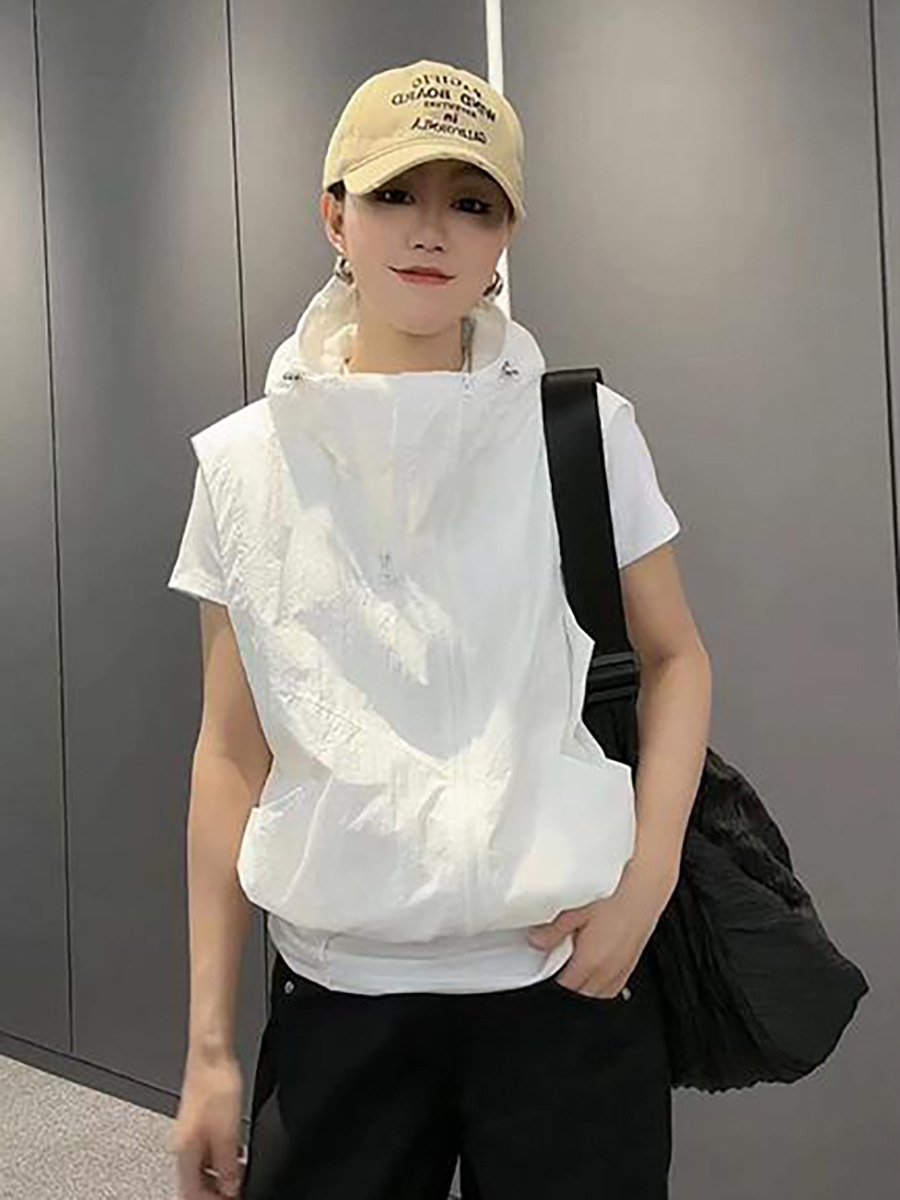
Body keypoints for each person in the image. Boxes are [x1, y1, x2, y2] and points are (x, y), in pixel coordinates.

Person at [167, 57, 710, 1200]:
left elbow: (675, 659)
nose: (431, 230)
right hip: (341, 1004)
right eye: (394, 194)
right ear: (336, 217)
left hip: (566, 991)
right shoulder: (246, 467)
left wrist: (647, 882)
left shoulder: (582, 431)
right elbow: (230, 753)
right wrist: (209, 1048)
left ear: (507, 235)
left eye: (471, 201)